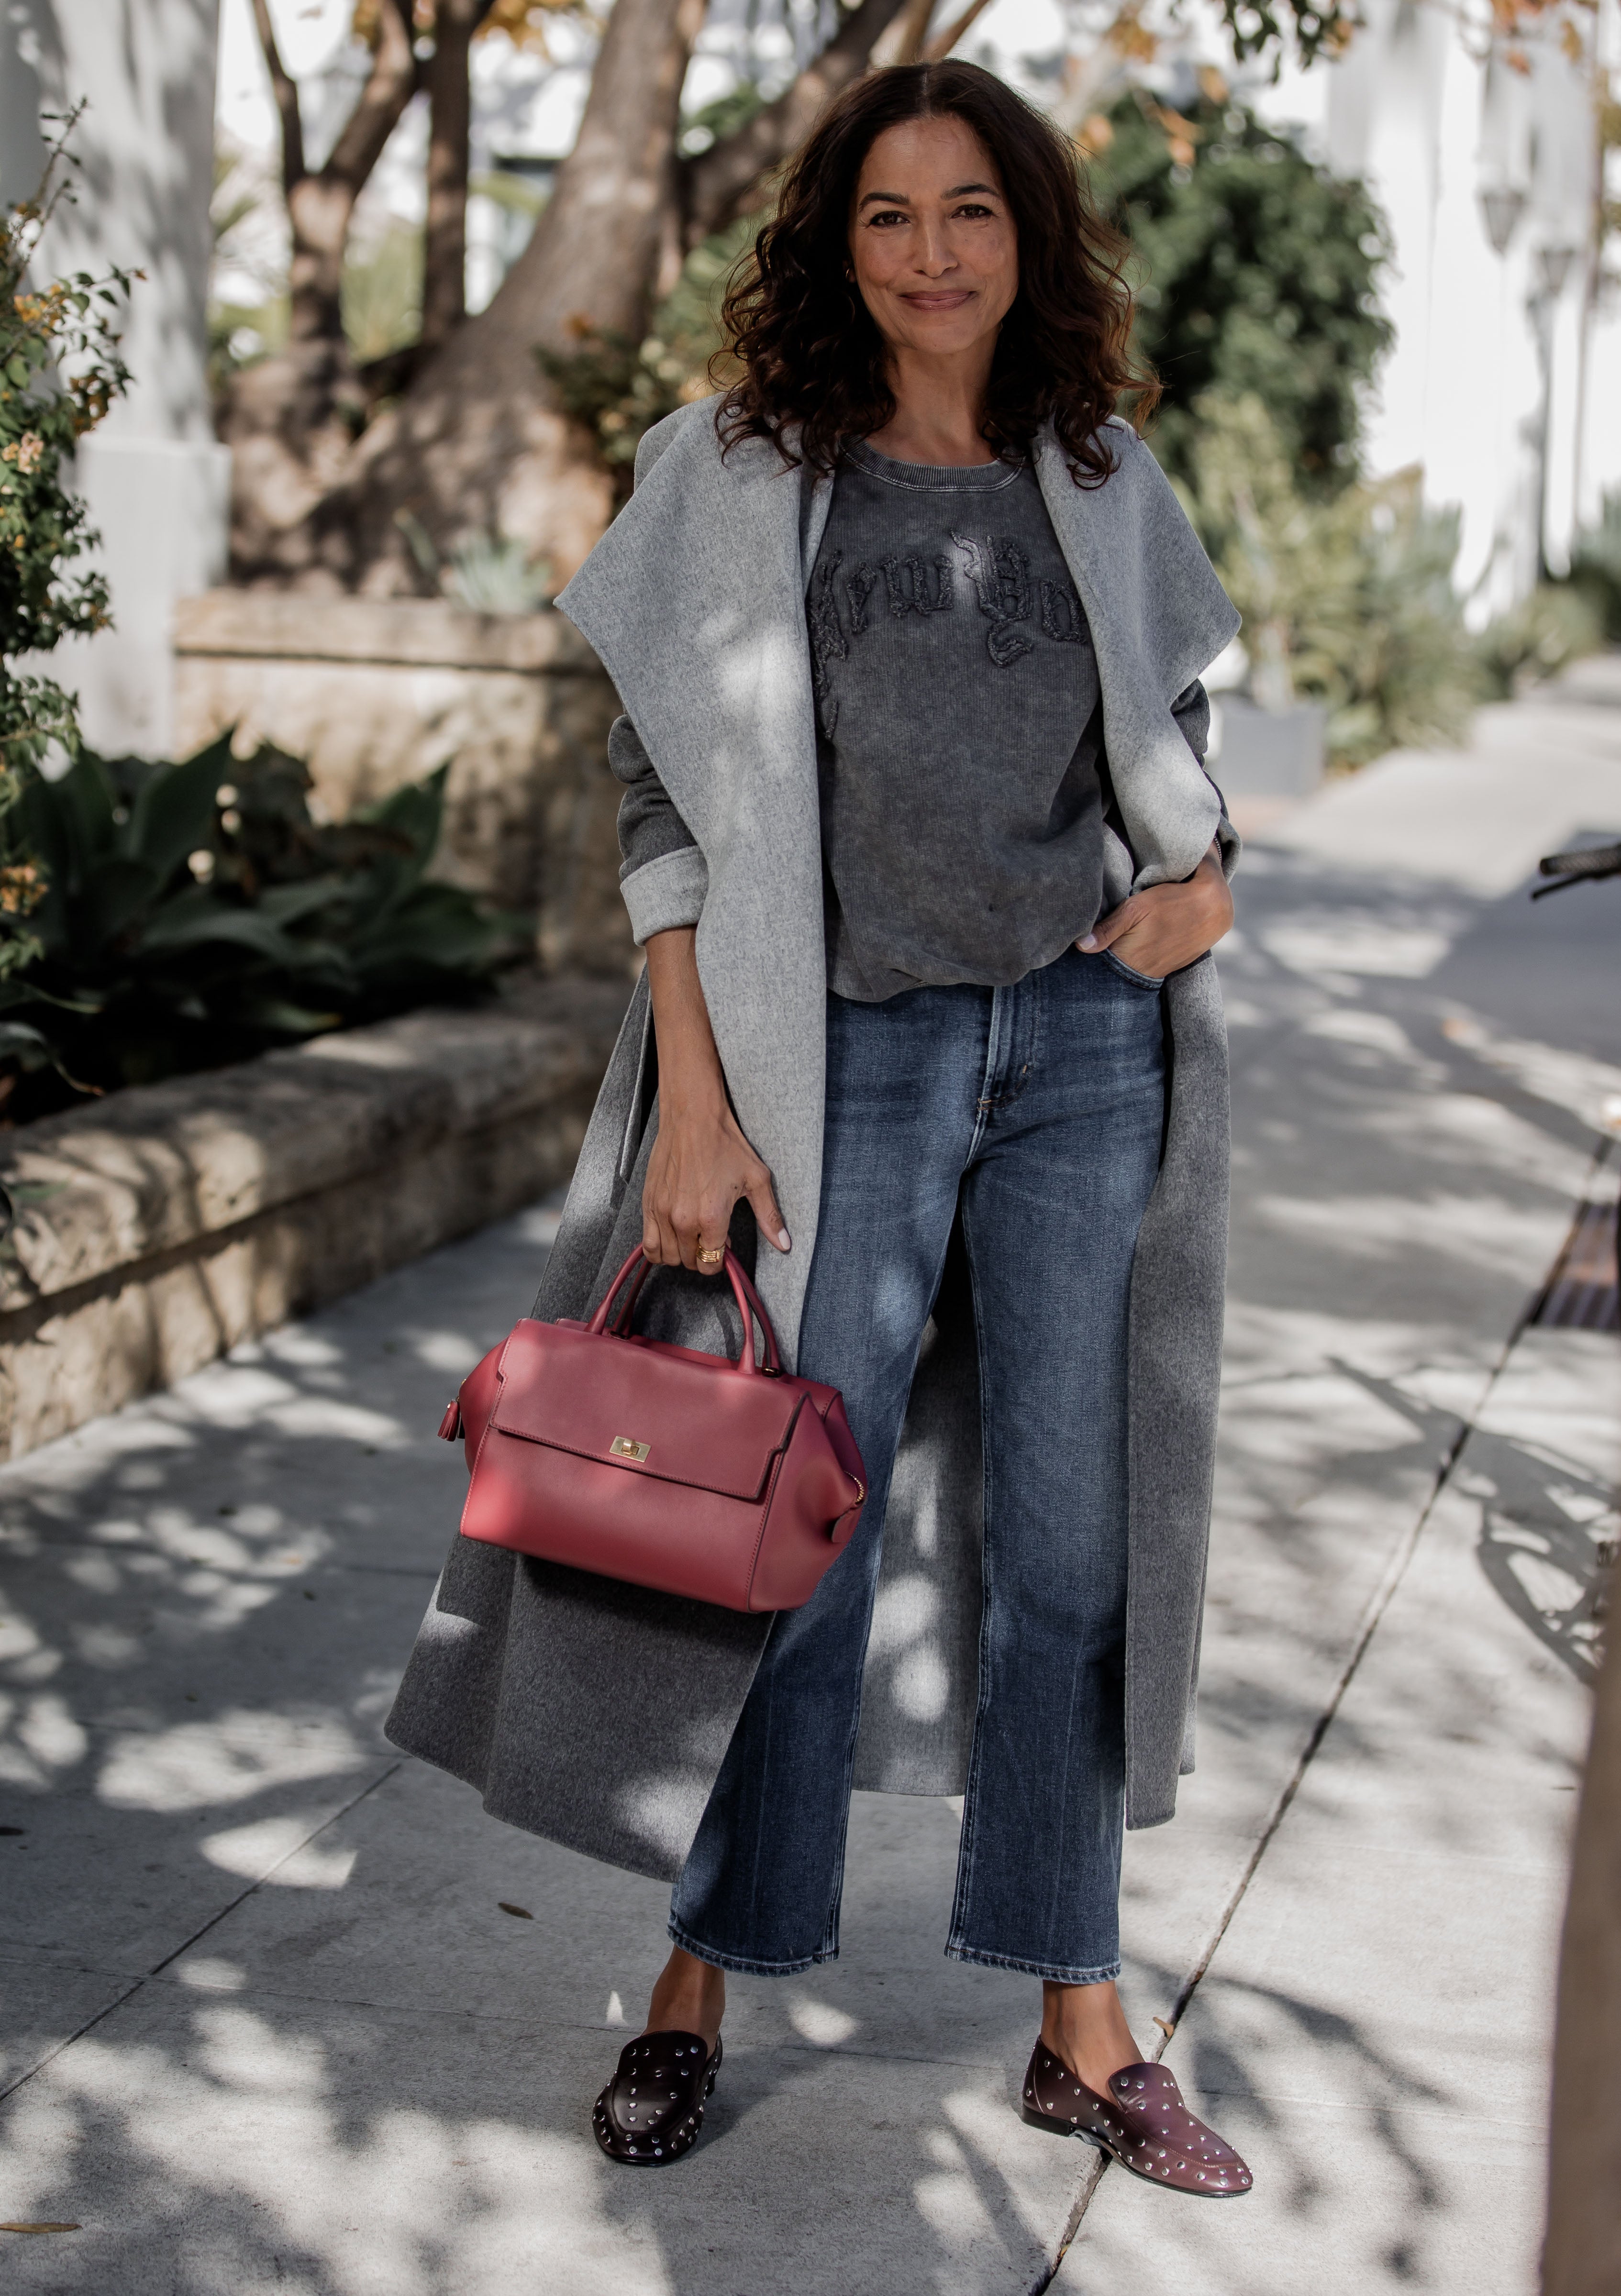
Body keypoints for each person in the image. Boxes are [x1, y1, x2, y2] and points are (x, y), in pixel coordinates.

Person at [387, 57, 1251, 2198]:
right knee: (786, 1528)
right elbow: (663, 802)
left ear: (1029, 235)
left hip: (1075, 1050)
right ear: (833, 242)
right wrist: (693, 1084)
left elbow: (1182, 768)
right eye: (889, 215)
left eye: (973, 211)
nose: (934, 253)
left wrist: (1205, 889)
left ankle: (1079, 2016)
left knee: (1067, 1547)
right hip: (831, 1053)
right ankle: (702, 1979)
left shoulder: (1101, 476)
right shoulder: (746, 469)